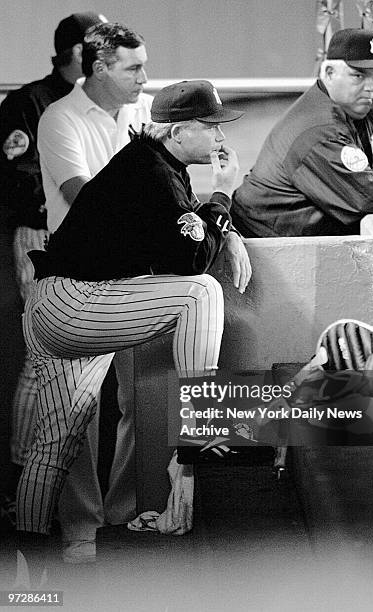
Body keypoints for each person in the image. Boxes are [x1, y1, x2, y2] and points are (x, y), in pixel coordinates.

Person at [16, 79, 244, 549]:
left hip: (56, 304)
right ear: (177, 132)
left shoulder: (152, 163)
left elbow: (179, 238)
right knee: (199, 292)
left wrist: (225, 227)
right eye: (211, 126)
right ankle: (202, 422)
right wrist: (223, 196)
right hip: (78, 302)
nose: (222, 138)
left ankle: (31, 571)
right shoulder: (153, 170)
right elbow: (193, 260)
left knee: (54, 446)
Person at [35, 21, 154, 563]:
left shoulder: (141, 113)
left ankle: (127, 514)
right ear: (100, 67)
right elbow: (84, 200)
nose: (143, 78)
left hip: (138, 272)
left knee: (140, 399)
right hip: (79, 279)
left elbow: (163, 185)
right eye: (133, 68)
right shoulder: (59, 119)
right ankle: (80, 531)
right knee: (78, 411)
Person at [0, 11, 106, 524]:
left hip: (82, 239)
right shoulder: (29, 102)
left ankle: (48, 483)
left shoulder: (99, 107)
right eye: (97, 47)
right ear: (77, 52)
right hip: (40, 236)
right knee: (41, 357)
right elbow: (19, 182)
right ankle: (18, 477)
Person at [231, 28, 373, 237]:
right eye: (358, 76)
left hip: (304, 237)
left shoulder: (368, 109)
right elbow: (370, 199)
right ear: (329, 73)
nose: (371, 88)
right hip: (262, 243)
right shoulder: (319, 131)